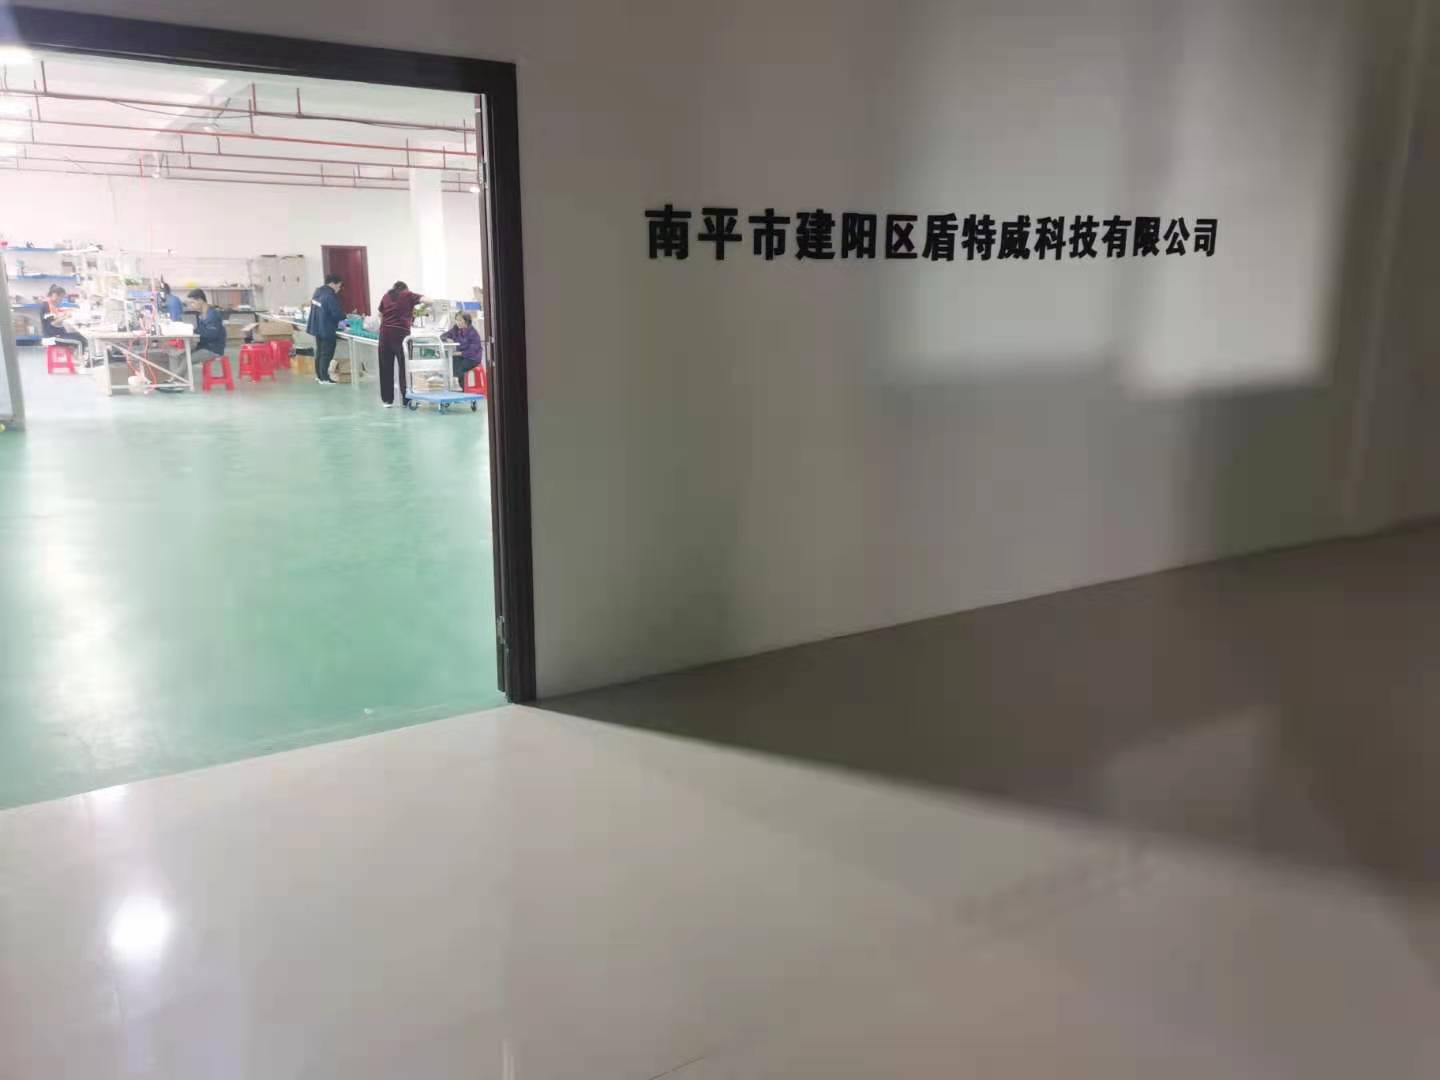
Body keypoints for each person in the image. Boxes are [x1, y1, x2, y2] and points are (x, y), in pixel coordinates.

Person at [377, 280, 423, 408]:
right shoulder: (407, 295)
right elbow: (427, 300)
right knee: (405, 367)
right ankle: (406, 400)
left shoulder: (386, 296)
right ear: (405, 289)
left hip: (385, 335)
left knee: (385, 368)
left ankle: (387, 401)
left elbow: (380, 314)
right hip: (401, 336)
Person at [305, 273, 345, 384]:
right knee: (327, 354)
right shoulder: (330, 295)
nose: (338, 289)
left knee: (320, 352)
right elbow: (336, 314)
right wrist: (345, 318)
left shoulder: (318, 292)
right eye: (338, 286)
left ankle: (319, 376)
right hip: (326, 328)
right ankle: (325, 378)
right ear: (333, 284)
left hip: (317, 327)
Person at [186, 289, 227, 375]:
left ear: (200, 300)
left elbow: (211, 334)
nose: (191, 305)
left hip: (213, 349)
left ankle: (175, 380)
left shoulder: (212, 315)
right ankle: (177, 379)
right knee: (179, 354)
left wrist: (194, 332)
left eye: (193, 302)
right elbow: (202, 332)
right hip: (205, 347)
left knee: (187, 359)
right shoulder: (202, 315)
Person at [442, 311, 484, 389]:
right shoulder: (455, 329)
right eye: (456, 320)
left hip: (472, 358)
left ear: (467, 321)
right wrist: (447, 339)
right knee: (448, 363)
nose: (458, 322)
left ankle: (465, 389)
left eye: (460, 320)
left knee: (459, 368)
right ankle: (452, 387)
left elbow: (473, 350)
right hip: (461, 356)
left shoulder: (472, 333)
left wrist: (459, 353)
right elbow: (443, 336)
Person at [41, 284, 87, 354]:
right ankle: (80, 358)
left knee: (79, 335)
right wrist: (66, 316)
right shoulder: (46, 306)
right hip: (52, 338)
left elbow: (55, 317)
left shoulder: (51, 304)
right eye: (61, 298)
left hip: (56, 334)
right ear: (55, 295)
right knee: (81, 340)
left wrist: (65, 313)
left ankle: (76, 357)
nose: (61, 300)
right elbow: (53, 323)